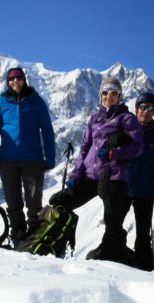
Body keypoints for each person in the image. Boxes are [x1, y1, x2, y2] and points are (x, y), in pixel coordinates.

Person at [49, 77, 142, 265]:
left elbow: (137, 147)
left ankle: (112, 259)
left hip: (113, 175)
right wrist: (76, 174)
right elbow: (84, 148)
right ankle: (56, 245)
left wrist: (112, 153)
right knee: (62, 201)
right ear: (101, 95)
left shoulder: (127, 118)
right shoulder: (94, 118)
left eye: (114, 93)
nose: (109, 96)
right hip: (90, 176)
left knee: (112, 222)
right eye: (106, 93)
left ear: (119, 96)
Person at [0, 67, 56, 245]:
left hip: (32, 158)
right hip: (7, 159)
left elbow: (47, 130)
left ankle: (34, 236)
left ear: (24, 80)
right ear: (7, 82)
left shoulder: (36, 101)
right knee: (13, 200)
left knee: (34, 202)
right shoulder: (2, 102)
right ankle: (17, 234)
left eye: (18, 78)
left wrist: (50, 157)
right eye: (11, 79)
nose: (15, 81)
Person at [122, 92, 154, 271]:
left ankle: (144, 267)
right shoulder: (125, 130)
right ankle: (114, 258)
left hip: (145, 191)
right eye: (143, 107)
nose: (146, 111)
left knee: (143, 233)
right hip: (123, 188)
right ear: (136, 109)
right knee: (115, 225)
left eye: (151, 108)